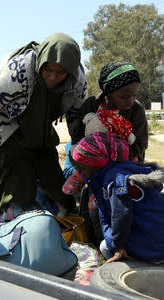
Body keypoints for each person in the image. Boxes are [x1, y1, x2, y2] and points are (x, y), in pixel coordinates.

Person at [0, 33, 87, 220]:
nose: (52, 77)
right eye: (47, 70)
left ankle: (56, 240)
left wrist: (80, 149)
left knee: (60, 195)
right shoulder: (21, 69)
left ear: (69, 71)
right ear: (41, 64)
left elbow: (76, 118)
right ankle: (13, 241)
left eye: (60, 72)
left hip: (41, 140)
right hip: (8, 140)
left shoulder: (77, 81)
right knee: (15, 198)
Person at [62, 62, 147, 205]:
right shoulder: (91, 105)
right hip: (91, 161)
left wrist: (112, 157)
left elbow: (140, 146)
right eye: (124, 97)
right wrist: (83, 159)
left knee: (113, 187)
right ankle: (83, 180)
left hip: (123, 161)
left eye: (134, 96)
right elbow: (77, 137)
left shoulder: (136, 110)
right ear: (109, 91)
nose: (130, 101)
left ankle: (105, 189)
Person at [72, 132, 164, 264]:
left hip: (154, 245)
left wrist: (119, 247)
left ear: (98, 164)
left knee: (105, 248)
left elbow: (121, 215)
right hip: (153, 233)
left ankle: (141, 265)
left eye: (83, 167)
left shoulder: (114, 180)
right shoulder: (123, 170)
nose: (80, 172)